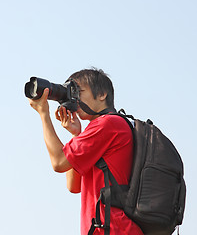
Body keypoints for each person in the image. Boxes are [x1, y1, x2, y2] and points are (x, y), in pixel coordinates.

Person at [28, 68, 143, 235]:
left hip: (114, 230)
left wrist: (43, 114)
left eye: (78, 92)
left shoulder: (107, 124)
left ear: (102, 94)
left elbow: (59, 163)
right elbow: (73, 186)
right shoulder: (108, 126)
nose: (74, 99)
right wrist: (76, 135)